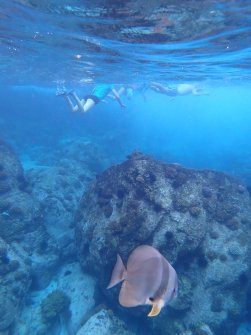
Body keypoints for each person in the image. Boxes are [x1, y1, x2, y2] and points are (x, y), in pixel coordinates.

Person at [57, 83, 126, 113]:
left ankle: (65, 96)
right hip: (94, 98)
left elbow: (94, 92)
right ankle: (74, 94)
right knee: (83, 111)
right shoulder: (111, 85)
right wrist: (121, 104)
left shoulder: (100, 84)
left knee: (73, 110)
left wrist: (102, 100)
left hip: (88, 96)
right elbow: (117, 96)